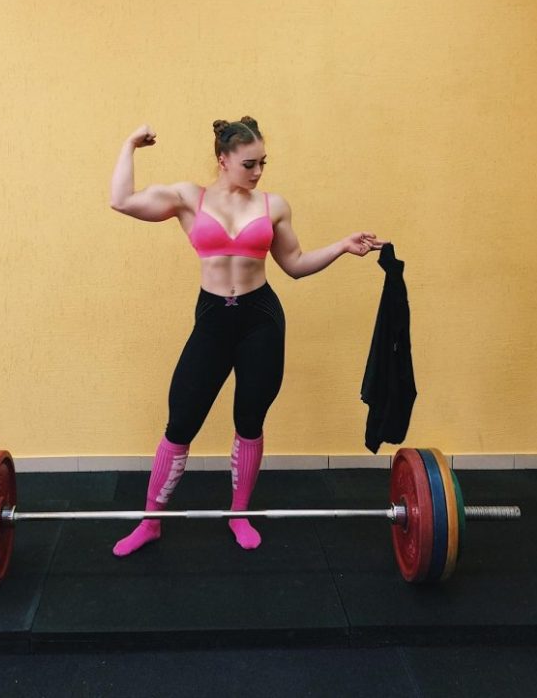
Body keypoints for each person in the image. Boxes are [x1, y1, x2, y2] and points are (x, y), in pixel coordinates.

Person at [110, 116, 385, 556]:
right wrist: (129, 144)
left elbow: (295, 264)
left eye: (262, 163)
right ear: (223, 160)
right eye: (249, 164)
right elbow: (121, 200)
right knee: (181, 422)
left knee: (250, 420)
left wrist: (341, 246)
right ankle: (151, 521)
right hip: (213, 319)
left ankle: (239, 513)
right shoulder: (189, 198)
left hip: (261, 321)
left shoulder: (273, 206)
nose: (258, 172)